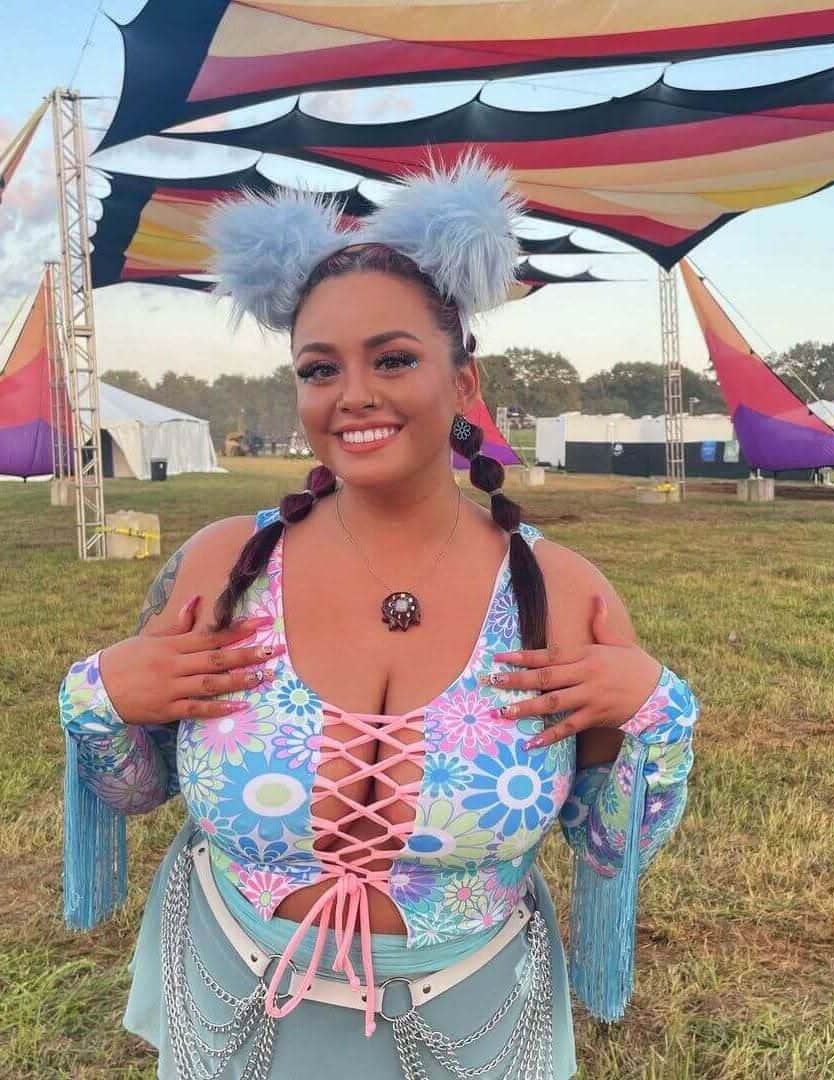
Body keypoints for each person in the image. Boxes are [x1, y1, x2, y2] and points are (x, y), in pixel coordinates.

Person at [59, 156, 699, 1080]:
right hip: (231, 1005)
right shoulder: (223, 568)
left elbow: (610, 841)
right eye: (321, 368)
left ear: (463, 380)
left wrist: (658, 712)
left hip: (470, 1022)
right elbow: (140, 789)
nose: (352, 394)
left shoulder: (559, 593)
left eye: (392, 359)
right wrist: (96, 698)